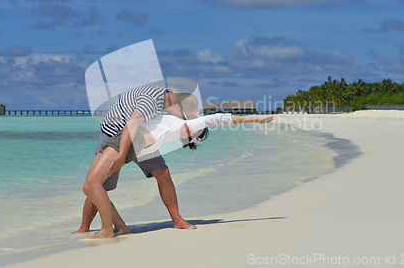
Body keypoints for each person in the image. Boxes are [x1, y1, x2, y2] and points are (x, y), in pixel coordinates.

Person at [83, 113, 274, 238]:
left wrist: (255, 119)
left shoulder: (183, 125)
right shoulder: (179, 121)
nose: (191, 130)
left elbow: (219, 119)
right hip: (129, 138)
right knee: (89, 186)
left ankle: (108, 228)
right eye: (193, 131)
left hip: (133, 141)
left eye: (192, 134)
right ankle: (117, 227)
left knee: (93, 182)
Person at [74, 85, 200, 234]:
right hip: (114, 133)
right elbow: (131, 124)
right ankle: (84, 228)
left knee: (163, 173)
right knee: (98, 182)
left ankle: (177, 220)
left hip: (140, 135)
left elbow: (177, 92)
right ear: (178, 109)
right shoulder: (151, 101)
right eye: (184, 117)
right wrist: (121, 155)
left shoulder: (173, 95)